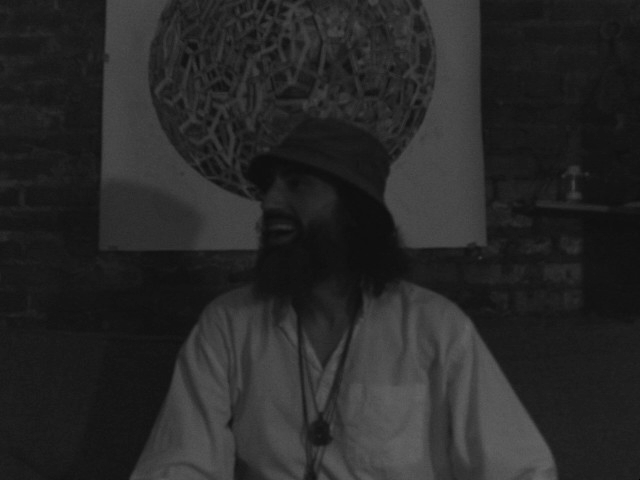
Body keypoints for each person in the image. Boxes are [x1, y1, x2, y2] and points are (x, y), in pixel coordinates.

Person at [131, 117, 557, 480]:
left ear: (353, 211)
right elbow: (177, 463)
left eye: (297, 184)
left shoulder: (435, 328)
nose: (270, 202)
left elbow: (522, 470)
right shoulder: (228, 324)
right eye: (268, 188)